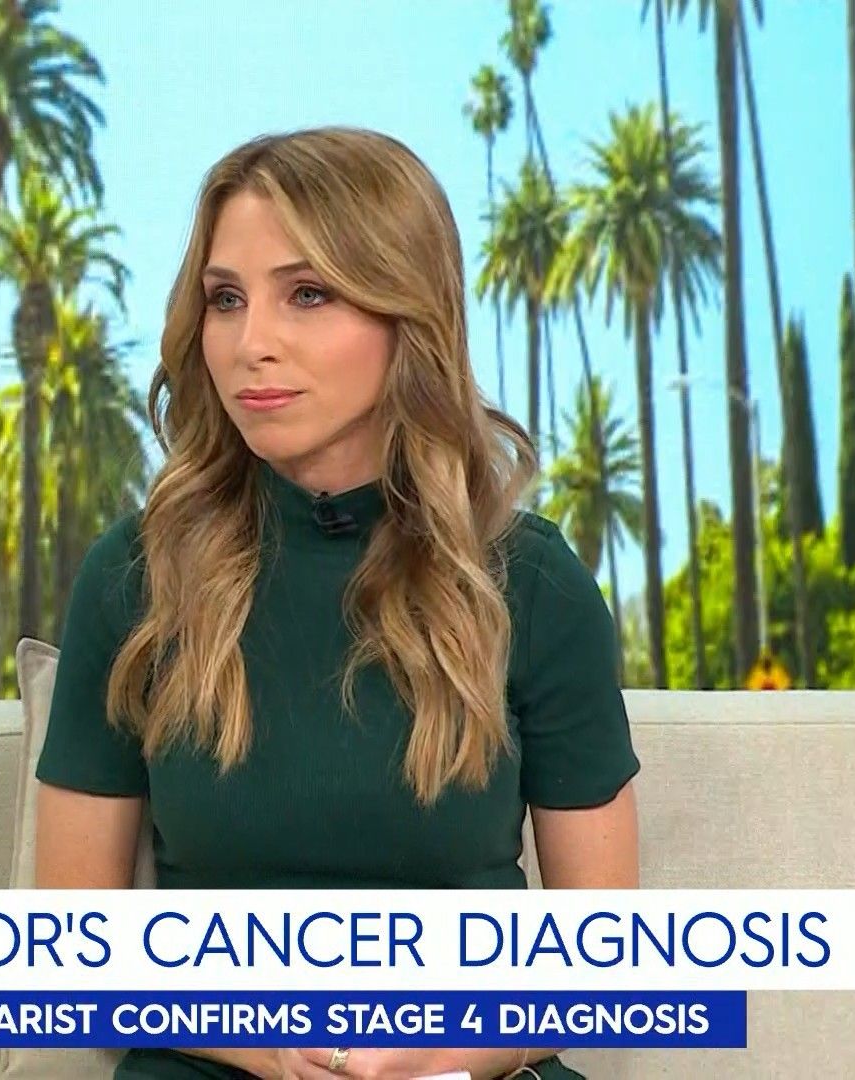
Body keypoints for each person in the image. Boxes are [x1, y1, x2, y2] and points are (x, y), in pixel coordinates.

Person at [34, 126, 640, 1080]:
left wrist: (436, 1051)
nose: (252, 344)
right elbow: (73, 950)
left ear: (408, 315)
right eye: (225, 299)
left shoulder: (529, 582)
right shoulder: (137, 579)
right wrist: (267, 1043)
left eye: (307, 294)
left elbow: (601, 966)